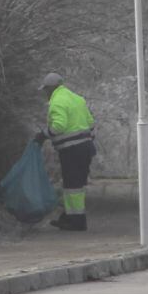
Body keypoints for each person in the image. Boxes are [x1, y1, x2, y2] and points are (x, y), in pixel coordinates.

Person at [34, 72, 96, 231]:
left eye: (45, 90)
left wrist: (43, 135)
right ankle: (71, 216)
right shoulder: (76, 98)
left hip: (72, 150)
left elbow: (59, 126)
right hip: (86, 147)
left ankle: (76, 221)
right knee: (77, 184)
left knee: (72, 186)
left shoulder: (57, 102)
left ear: (51, 88)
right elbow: (90, 123)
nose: (45, 94)